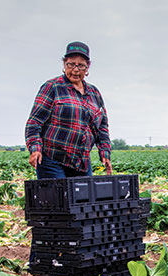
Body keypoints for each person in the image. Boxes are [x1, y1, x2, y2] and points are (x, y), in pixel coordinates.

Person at [25, 41, 112, 178]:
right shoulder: (53, 87)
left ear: (87, 67)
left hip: (81, 162)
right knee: (58, 198)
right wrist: (35, 149)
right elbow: (34, 122)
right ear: (64, 64)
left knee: (83, 198)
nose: (76, 70)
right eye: (71, 64)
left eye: (81, 65)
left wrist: (105, 153)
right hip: (52, 159)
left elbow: (102, 127)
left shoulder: (94, 93)